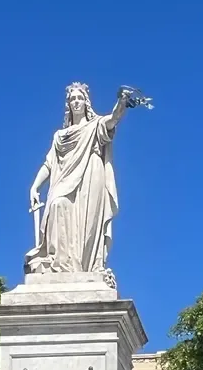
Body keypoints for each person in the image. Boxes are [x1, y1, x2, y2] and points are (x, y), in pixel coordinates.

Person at [25, 82, 132, 276]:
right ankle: (60, 265)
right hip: (64, 179)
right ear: (68, 104)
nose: (76, 102)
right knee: (57, 203)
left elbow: (113, 119)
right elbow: (49, 164)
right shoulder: (60, 135)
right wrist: (34, 187)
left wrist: (122, 102)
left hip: (91, 175)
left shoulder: (95, 124)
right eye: (72, 99)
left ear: (86, 102)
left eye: (79, 98)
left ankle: (88, 268)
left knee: (89, 223)